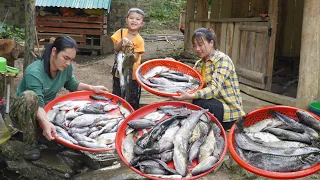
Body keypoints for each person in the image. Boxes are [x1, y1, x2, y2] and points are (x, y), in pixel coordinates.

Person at [9, 36, 109, 161]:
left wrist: (92, 88)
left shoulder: (65, 68)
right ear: (54, 52)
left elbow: (72, 84)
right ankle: (30, 143)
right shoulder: (34, 71)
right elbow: (38, 102)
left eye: (71, 60)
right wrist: (45, 122)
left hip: (46, 112)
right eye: (65, 58)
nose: (68, 63)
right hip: (24, 114)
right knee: (30, 96)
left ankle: (41, 133)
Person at [172, 28, 245, 130]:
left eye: (200, 45)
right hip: (214, 105)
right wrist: (174, 65)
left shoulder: (222, 60)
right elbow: (189, 78)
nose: (197, 49)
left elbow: (214, 89)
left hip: (229, 113)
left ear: (211, 43)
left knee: (200, 102)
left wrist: (191, 95)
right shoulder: (200, 63)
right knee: (192, 103)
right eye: (194, 46)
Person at [111, 8, 145, 110]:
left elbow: (135, 59)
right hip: (118, 73)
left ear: (141, 24)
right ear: (126, 20)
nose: (134, 21)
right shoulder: (120, 32)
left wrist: (129, 52)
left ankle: (132, 113)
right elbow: (116, 48)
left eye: (137, 19)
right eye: (131, 18)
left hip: (133, 76)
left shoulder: (139, 40)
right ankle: (117, 113)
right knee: (117, 95)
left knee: (132, 97)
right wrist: (122, 42)